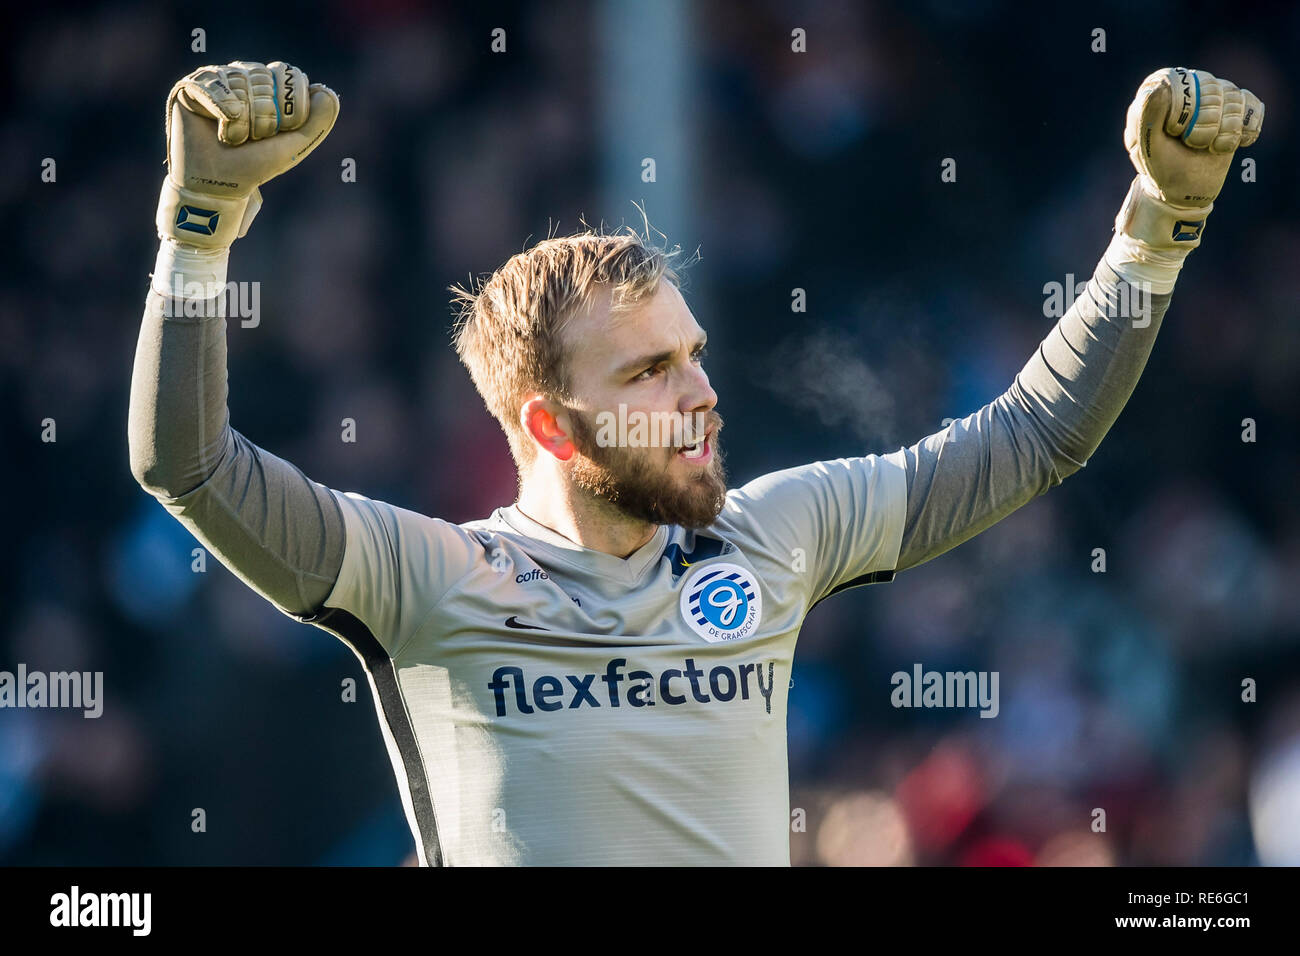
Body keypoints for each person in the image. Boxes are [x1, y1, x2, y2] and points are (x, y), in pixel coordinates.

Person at [129, 61, 1263, 865]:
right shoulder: (428, 580)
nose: (700, 392)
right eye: (647, 372)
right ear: (552, 428)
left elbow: (1036, 433)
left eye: (693, 354)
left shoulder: (780, 533)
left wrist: (1156, 225)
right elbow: (186, 463)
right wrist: (201, 228)